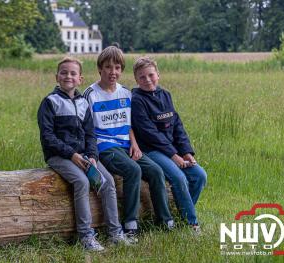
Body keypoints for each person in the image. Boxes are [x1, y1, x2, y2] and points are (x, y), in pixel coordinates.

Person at [37, 57, 133, 252]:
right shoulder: (50, 102)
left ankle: (115, 233)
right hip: (59, 156)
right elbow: (48, 137)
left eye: (73, 73)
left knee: (107, 182)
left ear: (80, 79)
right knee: (82, 181)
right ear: (57, 77)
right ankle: (86, 236)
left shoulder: (83, 103)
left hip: (83, 156)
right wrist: (72, 155)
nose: (68, 76)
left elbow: (90, 134)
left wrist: (92, 156)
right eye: (64, 73)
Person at [83, 46, 174, 237]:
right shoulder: (91, 94)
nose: (113, 72)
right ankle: (131, 224)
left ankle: (165, 220)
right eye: (108, 67)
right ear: (100, 69)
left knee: (156, 171)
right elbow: (87, 129)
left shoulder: (126, 93)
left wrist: (134, 144)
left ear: (121, 70)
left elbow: (129, 124)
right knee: (133, 170)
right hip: (105, 146)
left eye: (117, 68)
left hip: (126, 144)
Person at [131, 56, 207, 233]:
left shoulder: (165, 95)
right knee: (179, 177)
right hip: (151, 150)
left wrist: (187, 152)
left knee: (199, 175)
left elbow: (177, 126)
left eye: (151, 75)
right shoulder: (137, 100)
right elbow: (150, 134)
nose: (147, 80)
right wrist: (174, 156)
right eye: (142, 77)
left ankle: (182, 215)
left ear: (158, 74)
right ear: (136, 79)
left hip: (173, 150)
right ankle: (192, 224)